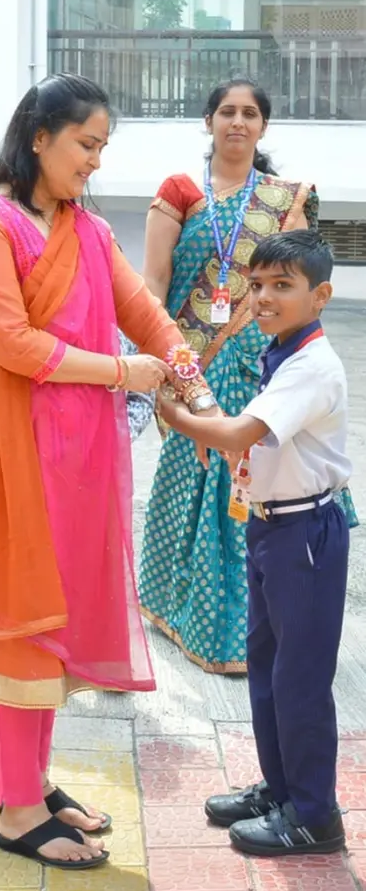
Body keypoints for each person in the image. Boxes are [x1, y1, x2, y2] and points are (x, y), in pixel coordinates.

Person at [0, 73, 219, 869]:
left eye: (101, 147)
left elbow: (140, 308)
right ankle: (17, 810)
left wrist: (185, 365)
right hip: (1, 443)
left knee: (51, 612)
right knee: (19, 609)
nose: (95, 161)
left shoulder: (83, 227)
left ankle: (29, 777)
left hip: (77, 450)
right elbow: (15, 345)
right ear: (39, 137)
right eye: (86, 145)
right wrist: (127, 375)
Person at [138, 79, 355, 675]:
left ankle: (240, 631)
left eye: (250, 113)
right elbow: (154, 283)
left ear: (263, 127)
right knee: (196, 483)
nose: (238, 122)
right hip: (194, 357)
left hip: (266, 362)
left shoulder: (285, 198)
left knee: (255, 476)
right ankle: (181, 609)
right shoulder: (180, 192)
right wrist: (160, 359)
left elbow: (301, 284)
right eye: (227, 112)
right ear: (208, 121)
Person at [160, 229, 350, 856]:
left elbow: (240, 434)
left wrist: (177, 415)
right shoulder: (282, 352)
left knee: (299, 677)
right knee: (266, 669)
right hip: (271, 525)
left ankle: (315, 816)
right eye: (259, 284)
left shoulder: (313, 367)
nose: (264, 297)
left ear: (320, 295)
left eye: (283, 286)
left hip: (304, 536)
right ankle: (282, 789)